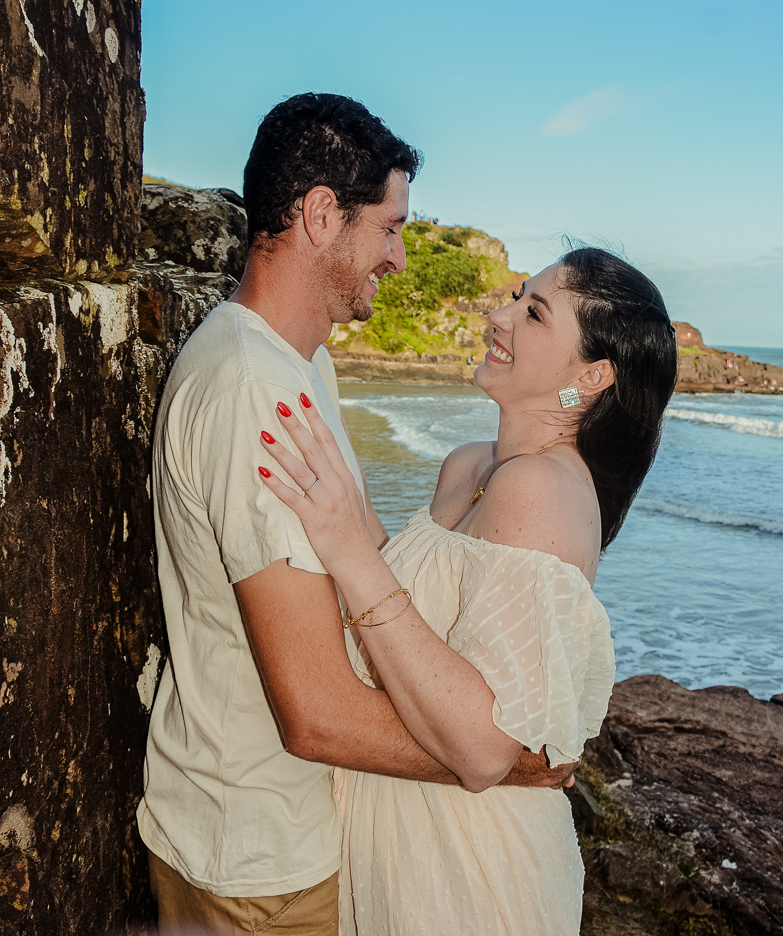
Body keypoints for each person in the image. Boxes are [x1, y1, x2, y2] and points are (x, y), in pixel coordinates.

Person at [137, 93, 574, 936]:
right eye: (390, 227)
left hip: (286, 833)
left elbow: (366, 565)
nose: (401, 258)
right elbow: (316, 712)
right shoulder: (249, 387)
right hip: (256, 861)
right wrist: (496, 762)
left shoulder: (305, 367)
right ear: (320, 215)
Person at [259, 246, 679, 935]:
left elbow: (484, 749)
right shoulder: (470, 465)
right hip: (403, 838)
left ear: (591, 375)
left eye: (534, 313)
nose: (498, 315)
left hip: (468, 870)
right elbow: (417, 609)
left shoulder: (542, 491)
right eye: (517, 295)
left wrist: (344, 547)